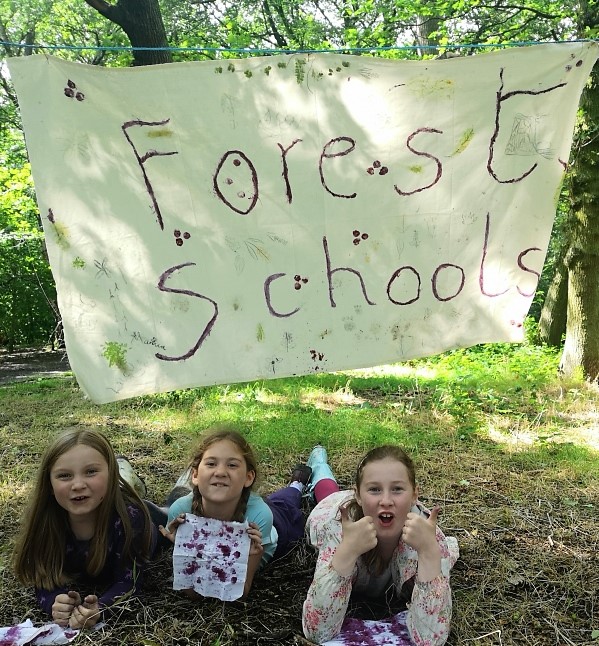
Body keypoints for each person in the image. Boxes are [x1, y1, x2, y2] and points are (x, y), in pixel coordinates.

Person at [302, 444, 459, 646]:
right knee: (325, 491)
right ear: (358, 494)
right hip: (330, 510)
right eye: (375, 489)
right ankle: (319, 464)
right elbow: (317, 632)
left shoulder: (428, 538)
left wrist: (429, 553)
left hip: (361, 506)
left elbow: (430, 639)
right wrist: (347, 552)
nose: (386, 500)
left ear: (414, 495)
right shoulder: (339, 530)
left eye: (397, 489)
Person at [12, 426, 160, 630]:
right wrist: (54, 602)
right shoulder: (45, 520)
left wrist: (102, 607)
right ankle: (121, 468)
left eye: (90, 471)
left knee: (173, 511)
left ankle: (132, 474)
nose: (78, 484)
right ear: (49, 486)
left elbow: (130, 582)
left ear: (110, 474)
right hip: (110, 493)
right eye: (64, 476)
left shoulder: (132, 520)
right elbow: (43, 576)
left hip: (151, 522)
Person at [160, 424, 319, 598]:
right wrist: (180, 546)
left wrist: (254, 555)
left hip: (277, 525)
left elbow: (239, 592)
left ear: (248, 477)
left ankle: (297, 483)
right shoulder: (181, 512)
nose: (220, 472)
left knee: (287, 501)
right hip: (244, 500)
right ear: (195, 475)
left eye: (232, 465)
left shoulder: (260, 517)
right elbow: (191, 591)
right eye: (211, 463)